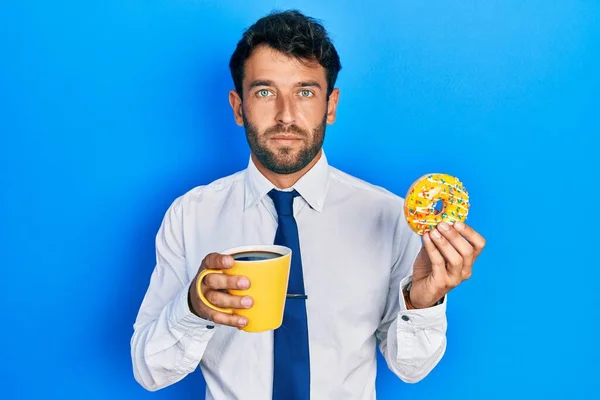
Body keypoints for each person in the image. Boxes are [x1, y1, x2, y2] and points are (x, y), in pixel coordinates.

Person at [130, 9, 486, 400]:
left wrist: (423, 301)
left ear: (330, 105)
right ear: (238, 107)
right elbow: (149, 371)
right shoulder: (190, 216)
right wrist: (193, 308)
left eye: (305, 92)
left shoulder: (388, 215)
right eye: (265, 92)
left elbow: (411, 368)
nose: (286, 115)